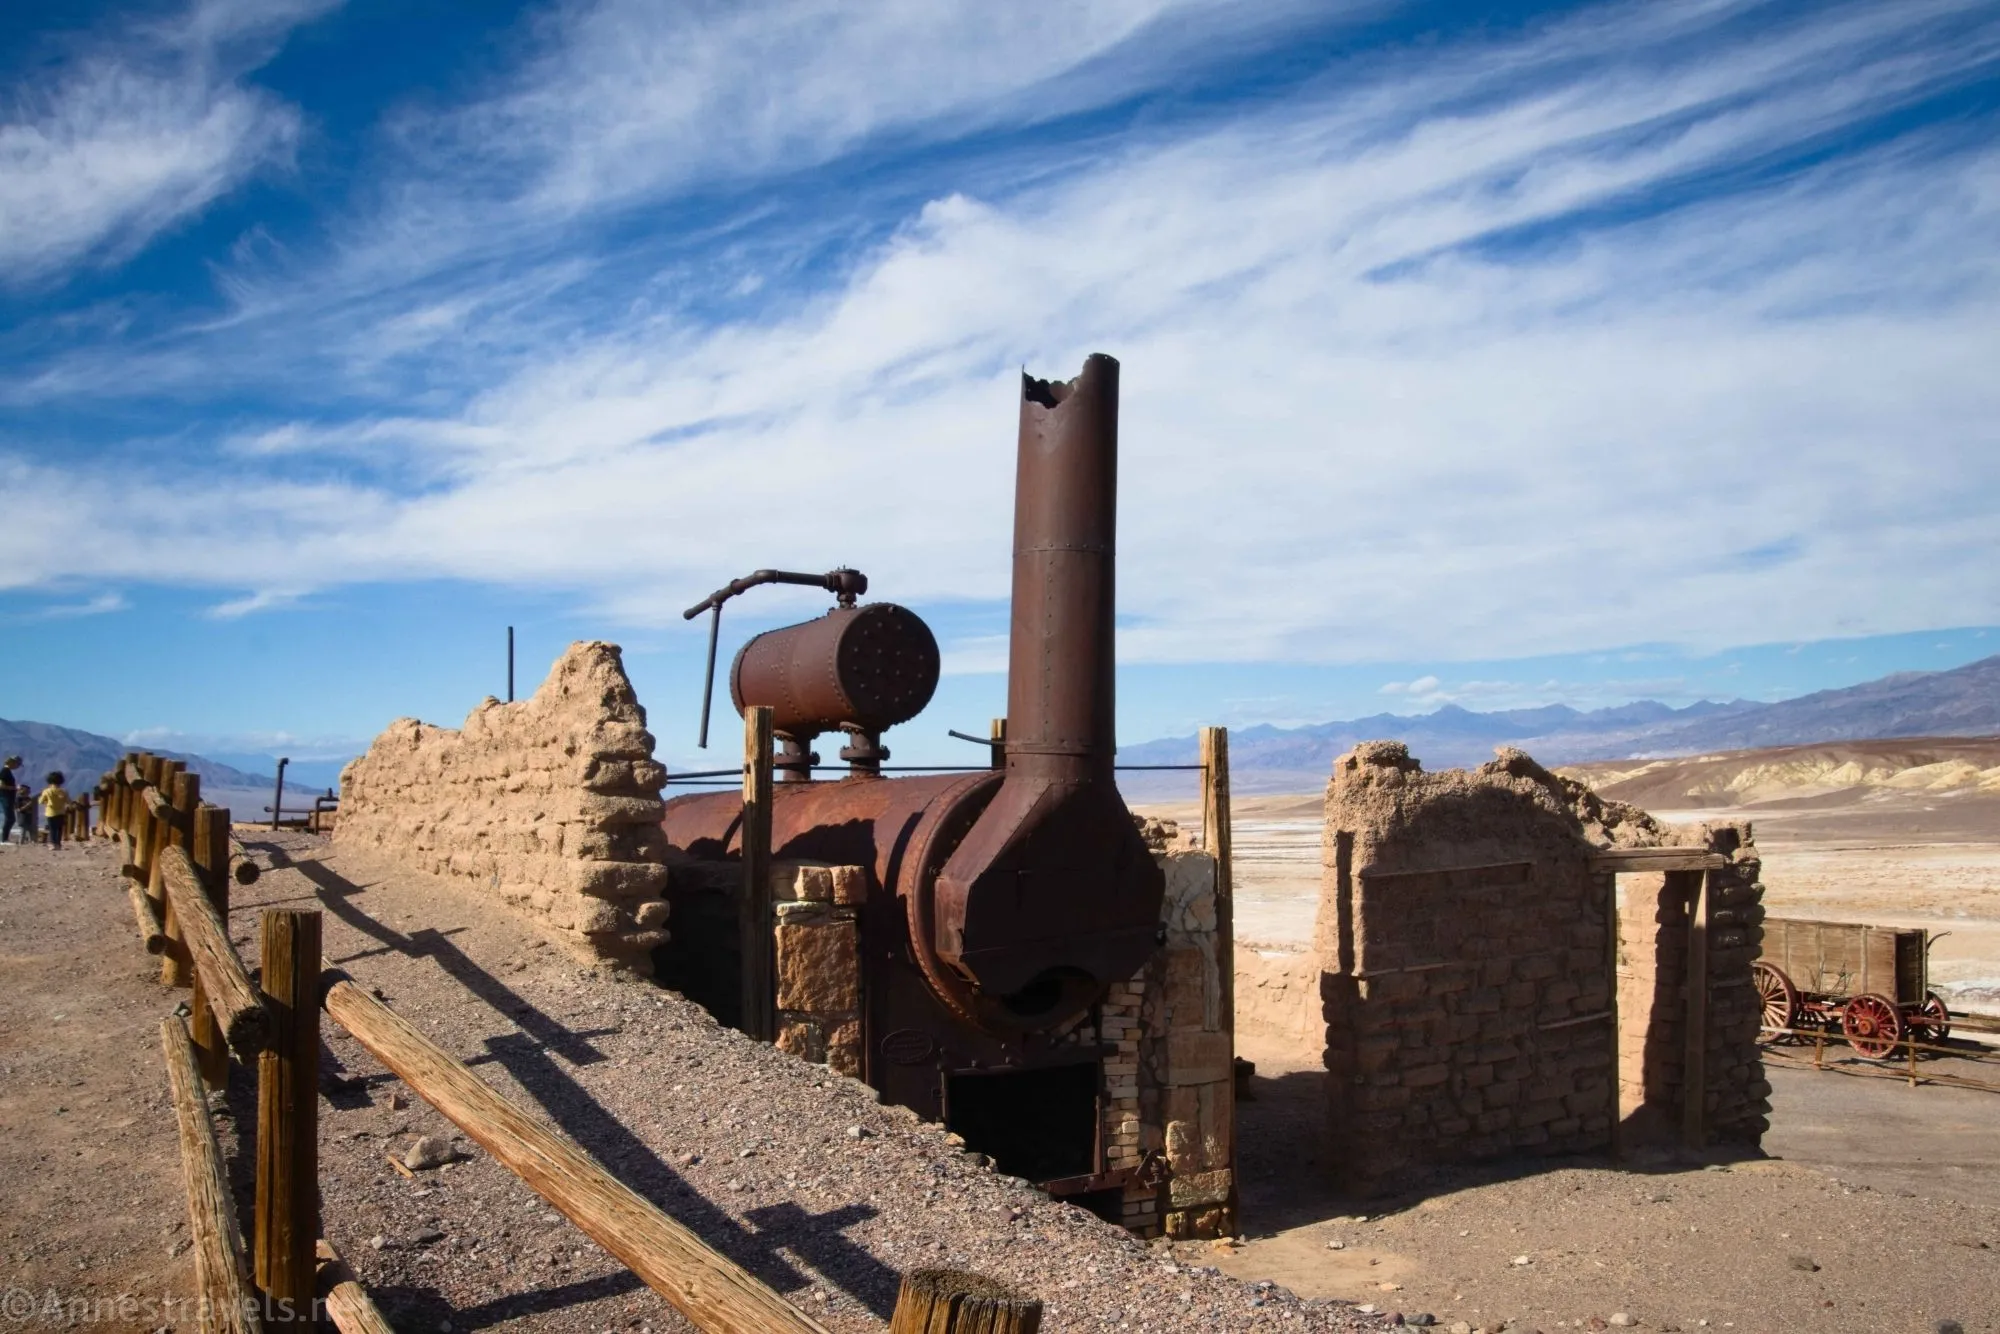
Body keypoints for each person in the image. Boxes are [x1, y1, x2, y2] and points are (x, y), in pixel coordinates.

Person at [38, 773, 69, 851]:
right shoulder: (63, 791)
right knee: (59, 829)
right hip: (61, 812)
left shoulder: (47, 791)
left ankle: (53, 844)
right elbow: (68, 801)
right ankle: (58, 844)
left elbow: (40, 801)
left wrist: (46, 802)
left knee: (52, 829)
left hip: (50, 812)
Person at [0, 756, 17, 845]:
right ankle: (4, 839)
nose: (17, 766)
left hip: (9, 797)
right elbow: (1, 785)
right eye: (17, 764)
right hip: (5, 797)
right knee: (10, 818)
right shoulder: (4, 771)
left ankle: (5, 838)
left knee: (10, 818)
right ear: (12, 762)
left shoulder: (8, 771)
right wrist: (13, 788)